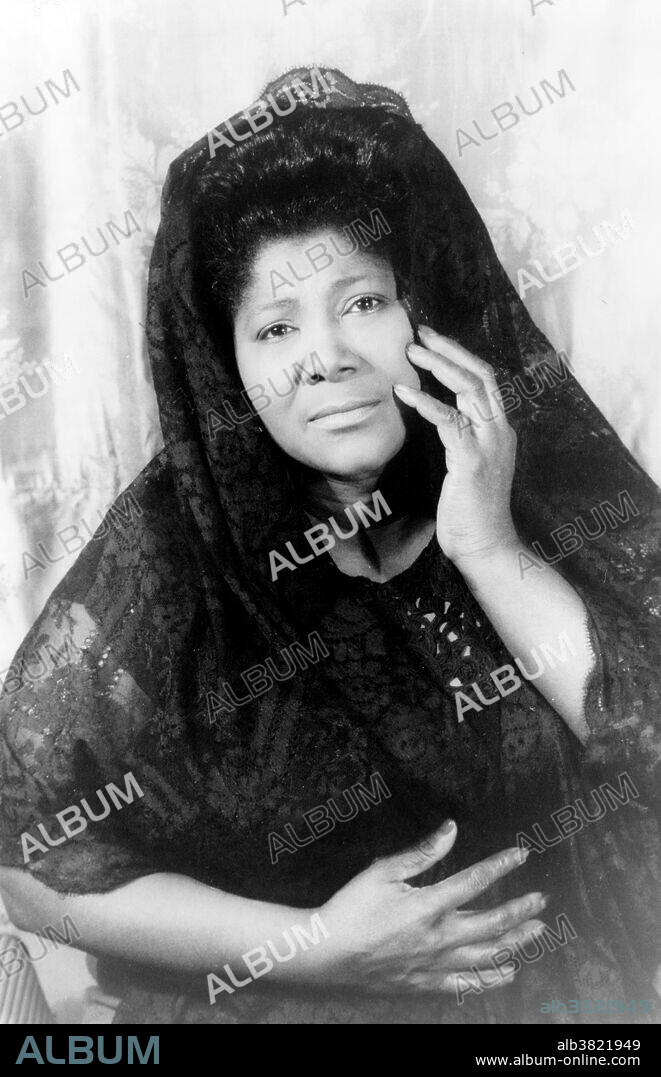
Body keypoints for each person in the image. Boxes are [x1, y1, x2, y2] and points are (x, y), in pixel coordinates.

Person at [0, 66, 659, 1025]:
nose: (325, 357)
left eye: (363, 304)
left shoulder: (545, 495)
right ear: (228, 368)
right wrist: (315, 952)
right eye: (274, 326)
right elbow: (27, 866)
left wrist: (488, 546)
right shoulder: (170, 560)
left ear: (429, 312)